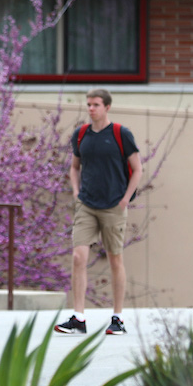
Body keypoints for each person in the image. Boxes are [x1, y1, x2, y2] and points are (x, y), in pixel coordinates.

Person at [55, 88, 141, 336]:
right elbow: (74, 167)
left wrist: (125, 199)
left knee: (115, 259)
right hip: (87, 205)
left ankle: (118, 318)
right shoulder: (81, 135)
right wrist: (75, 191)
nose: (91, 108)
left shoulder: (120, 134)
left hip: (114, 206)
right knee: (78, 257)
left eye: (96, 105)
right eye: (89, 104)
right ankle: (78, 318)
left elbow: (137, 169)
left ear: (107, 107)